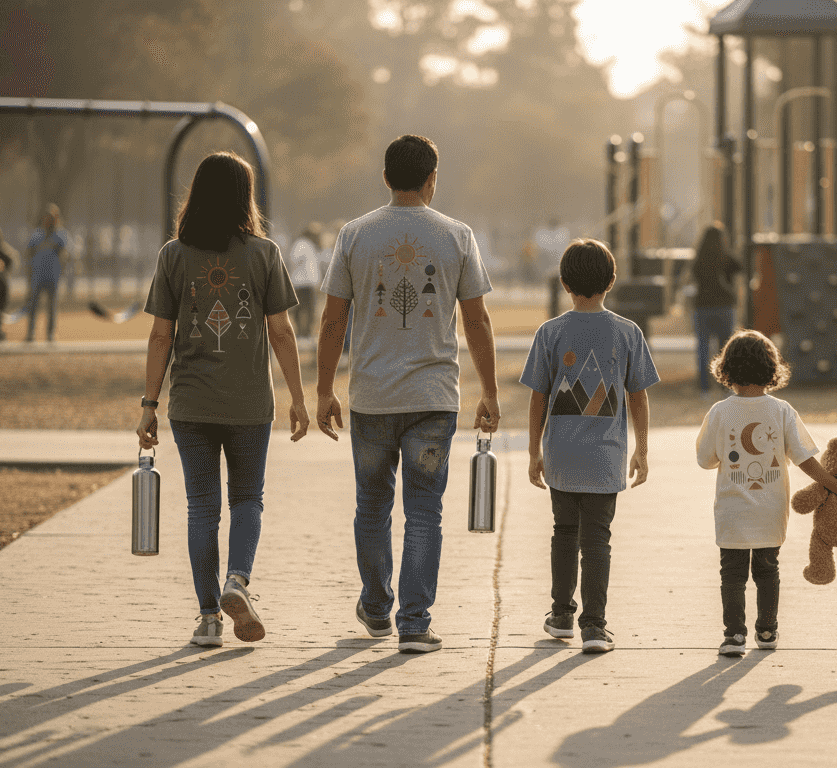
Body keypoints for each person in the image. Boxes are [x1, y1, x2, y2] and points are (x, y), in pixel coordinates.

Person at [314, 134, 500, 654]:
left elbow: (334, 318)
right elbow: (477, 319)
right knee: (424, 510)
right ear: (431, 179)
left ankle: (376, 607)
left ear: (385, 178)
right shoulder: (457, 236)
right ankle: (414, 622)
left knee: (371, 506)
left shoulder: (354, 234)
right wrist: (488, 390)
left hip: (371, 395)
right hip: (434, 397)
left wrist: (325, 390)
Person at [136, 150, 310, 648]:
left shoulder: (173, 255)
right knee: (247, 498)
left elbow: (159, 338)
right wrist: (298, 396)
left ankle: (210, 618)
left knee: (202, 508)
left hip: (190, 405)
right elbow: (280, 331)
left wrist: (148, 405)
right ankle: (238, 579)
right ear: (244, 197)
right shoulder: (264, 254)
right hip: (250, 403)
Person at [521, 238, 660, 654]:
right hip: (606, 456)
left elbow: (538, 397)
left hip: (562, 455)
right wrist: (643, 450)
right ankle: (595, 627)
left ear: (563, 282)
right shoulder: (628, 332)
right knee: (597, 539)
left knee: (564, 533)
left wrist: (533, 452)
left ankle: (561, 614)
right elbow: (639, 396)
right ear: (612, 281)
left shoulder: (551, 332)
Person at [695, 330, 837, 657]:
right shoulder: (782, 411)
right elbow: (806, 460)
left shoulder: (719, 413)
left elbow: (705, 460)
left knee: (733, 574)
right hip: (770, 511)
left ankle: (734, 635)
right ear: (772, 368)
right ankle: (767, 631)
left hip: (733, 512)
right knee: (768, 569)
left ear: (726, 369)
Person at [691, 223, 740, 396]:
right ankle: (725, 386)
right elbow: (741, 267)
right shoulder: (726, 257)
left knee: (703, 348)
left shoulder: (699, 260)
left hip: (703, 307)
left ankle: (704, 387)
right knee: (725, 348)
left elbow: (694, 277)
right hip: (724, 307)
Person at [24, 204, 68, 342]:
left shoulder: (60, 235)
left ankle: (50, 333)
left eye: (51, 218)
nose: (48, 220)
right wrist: (29, 272)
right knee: (33, 305)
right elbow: (29, 253)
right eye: (47, 217)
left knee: (51, 306)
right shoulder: (37, 235)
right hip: (37, 275)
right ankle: (30, 333)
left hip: (52, 275)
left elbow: (65, 255)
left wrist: (62, 270)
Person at [287, 222, 322, 338]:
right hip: (301, 283)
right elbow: (294, 260)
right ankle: (301, 334)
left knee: (308, 310)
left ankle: (305, 333)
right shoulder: (301, 244)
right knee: (301, 310)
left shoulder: (310, 245)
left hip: (307, 283)